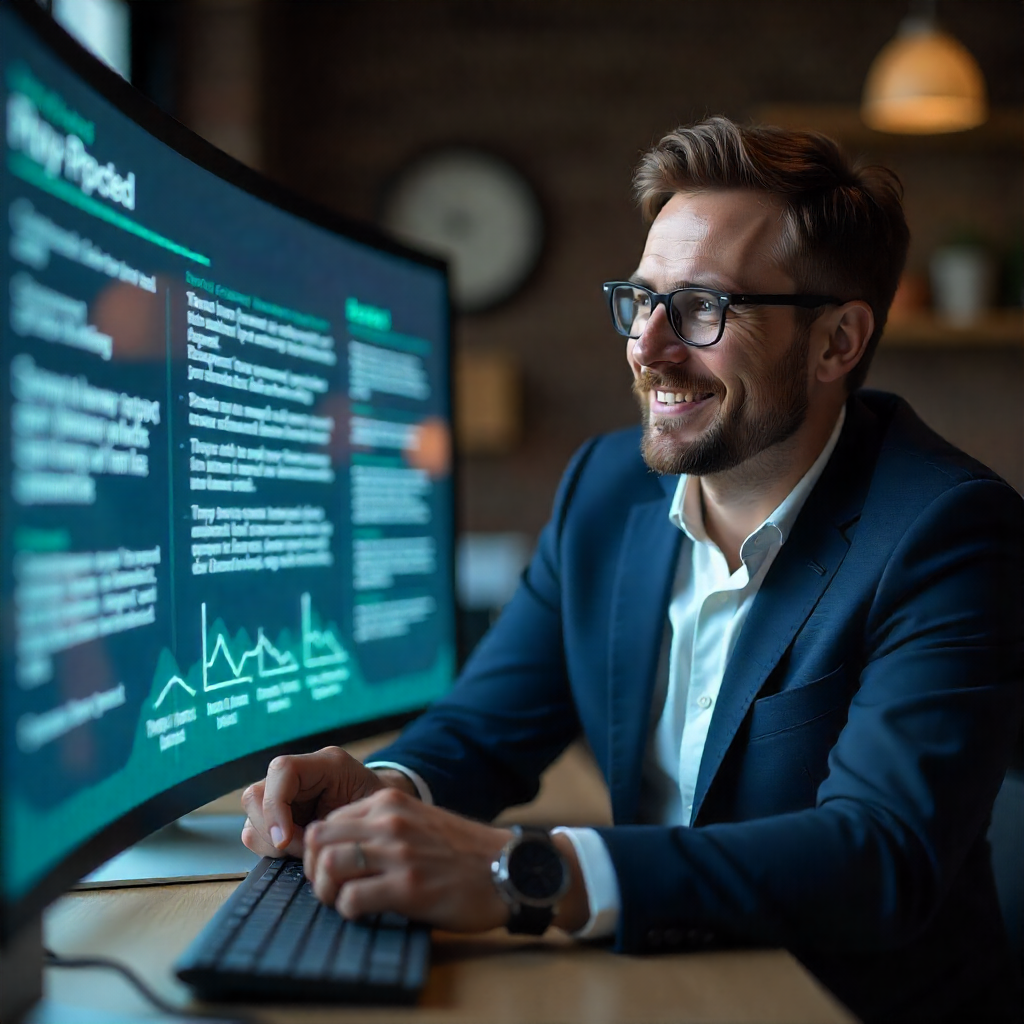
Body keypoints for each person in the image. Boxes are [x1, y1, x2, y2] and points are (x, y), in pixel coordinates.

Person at [241, 117, 1023, 1022]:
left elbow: (880, 856)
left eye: (704, 308)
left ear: (837, 342)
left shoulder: (948, 531)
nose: (648, 347)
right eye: (642, 299)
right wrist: (385, 789)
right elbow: (488, 725)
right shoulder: (605, 489)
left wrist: (527, 873)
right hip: (658, 984)